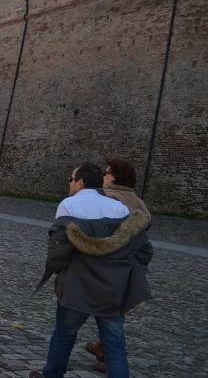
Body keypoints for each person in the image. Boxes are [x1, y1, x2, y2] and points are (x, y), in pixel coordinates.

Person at [30, 163, 152, 378]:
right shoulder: (120, 209)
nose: (69, 183)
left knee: (64, 335)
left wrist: (59, 269)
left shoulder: (69, 205)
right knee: (115, 343)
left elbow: (59, 248)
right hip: (112, 289)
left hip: (78, 284)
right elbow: (142, 249)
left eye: (71, 179)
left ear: (80, 182)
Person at [80, 158, 152, 374]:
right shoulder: (138, 202)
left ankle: (107, 354)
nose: (103, 176)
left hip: (108, 266)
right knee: (113, 314)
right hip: (129, 267)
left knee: (103, 318)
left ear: (114, 178)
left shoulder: (110, 199)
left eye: (106, 173)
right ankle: (103, 349)